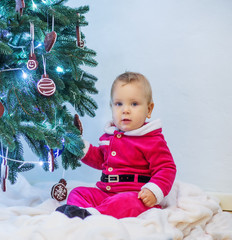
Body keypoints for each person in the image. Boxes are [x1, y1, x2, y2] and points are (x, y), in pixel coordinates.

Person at [56, 72, 176, 219]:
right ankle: (79, 212)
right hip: (106, 192)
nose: (125, 110)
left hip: (136, 196)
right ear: (111, 107)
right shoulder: (110, 136)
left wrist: (153, 191)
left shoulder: (151, 139)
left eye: (134, 104)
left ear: (149, 109)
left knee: (125, 202)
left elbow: (166, 168)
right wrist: (80, 146)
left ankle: (94, 215)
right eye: (119, 104)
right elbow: (100, 159)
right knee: (77, 192)